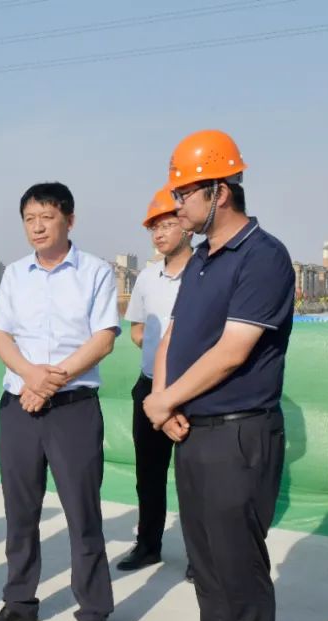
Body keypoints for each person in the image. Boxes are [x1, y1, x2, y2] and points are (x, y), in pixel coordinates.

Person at [144, 130, 293, 621]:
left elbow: (233, 352)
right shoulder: (202, 259)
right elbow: (174, 337)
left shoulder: (264, 256)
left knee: (239, 563)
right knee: (204, 559)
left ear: (220, 191)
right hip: (193, 431)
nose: (176, 205)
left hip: (239, 433)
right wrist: (162, 402)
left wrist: (166, 400)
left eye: (185, 194)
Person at [0, 182, 119, 621]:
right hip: (19, 407)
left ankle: (93, 614)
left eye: (47, 217)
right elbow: (0, 335)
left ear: (69, 220)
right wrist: (30, 376)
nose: (37, 227)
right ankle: (19, 603)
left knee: (82, 514)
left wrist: (48, 382)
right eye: (29, 219)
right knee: (20, 512)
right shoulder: (15, 274)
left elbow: (103, 340)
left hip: (73, 409)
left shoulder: (96, 272)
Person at [118, 186, 194, 579]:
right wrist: (157, 356)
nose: (159, 234)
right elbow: (136, 329)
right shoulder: (147, 278)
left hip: (195, 392)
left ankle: (201, 557)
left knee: (196, 480)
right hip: (149, 389)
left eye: (166, 225)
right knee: (149, 475)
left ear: (187, 226)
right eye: (154, 228)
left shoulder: (207, 273)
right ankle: (148, 545)